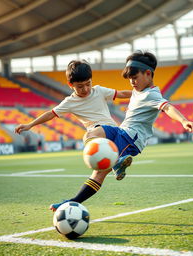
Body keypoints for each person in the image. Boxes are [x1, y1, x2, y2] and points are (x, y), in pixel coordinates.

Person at [51, 50, 193, 211]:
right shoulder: (139, 92)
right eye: (130, 79)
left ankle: (75, 200)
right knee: (92, 134)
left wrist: (184, 120)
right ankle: (109, 168)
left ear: (148, 73)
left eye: (135, 78)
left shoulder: (152, 95)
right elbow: (134, 102)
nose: (132, 82)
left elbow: (167, 107)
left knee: (99, 172)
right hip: (121, 131)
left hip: (131, 138)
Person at [14, 60, 132, 210]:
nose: (85, 89)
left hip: (111, 131)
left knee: (88, 135)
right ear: (71, 86)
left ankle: (116, 162)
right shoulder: (70, 102)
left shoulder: (99, 91)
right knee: (98, 175)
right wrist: (30, 125)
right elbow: (51, 114)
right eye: (80, 86)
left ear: (91, 80)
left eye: (88, 84)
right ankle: (72, 203)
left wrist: (141, 95)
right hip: (107, 143)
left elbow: (121, 93)